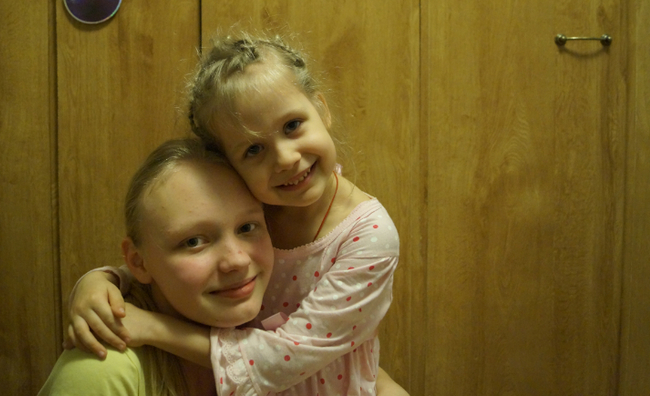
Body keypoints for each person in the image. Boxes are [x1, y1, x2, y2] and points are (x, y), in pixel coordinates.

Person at [66, 33, 402, 395]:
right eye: (254, 149)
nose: (286, 159)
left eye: (292, 125)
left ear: (321, 110)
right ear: (230, 164)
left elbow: (284, 358)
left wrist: (153, 328)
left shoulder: (369, 235)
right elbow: (172, 256)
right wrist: (102, 282)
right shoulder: (256, 202)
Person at [39, 138, 275, 395]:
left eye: (247, 227)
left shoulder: (286, 309)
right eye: (194, 241)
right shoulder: (101, 371)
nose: (238, 261)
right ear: (138, 262)